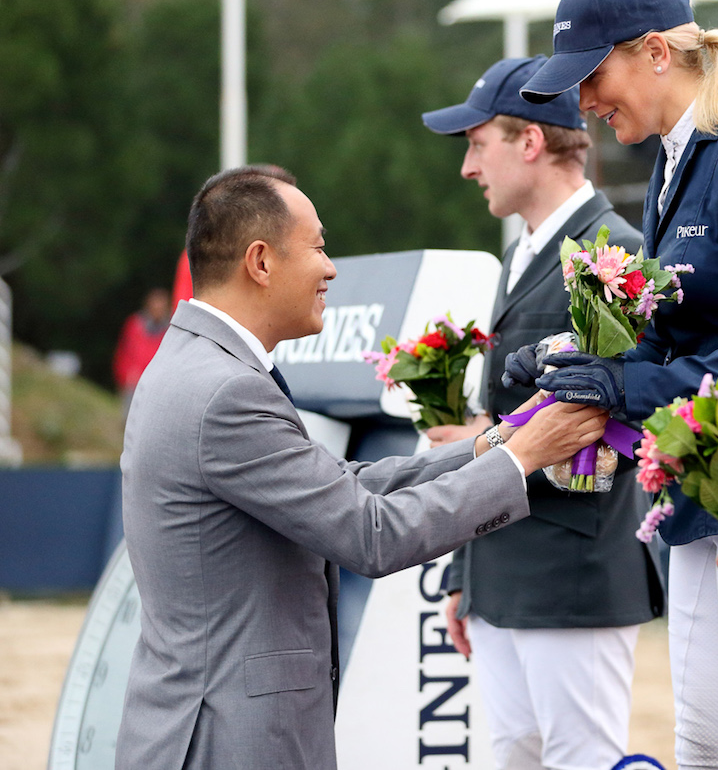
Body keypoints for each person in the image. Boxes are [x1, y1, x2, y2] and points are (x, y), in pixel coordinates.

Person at [115, 164, 608, 770]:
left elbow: (338, 484)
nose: (331, 268)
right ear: (261, 262)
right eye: (319, 247)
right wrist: (524, 458)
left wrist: (494, 442)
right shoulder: (225, 392)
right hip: (232, 738)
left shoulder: (196, 364)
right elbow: (370, 533)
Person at [513, 0, 718, 770]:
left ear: (656, 52)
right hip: (700, 492)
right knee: (703, 746)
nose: (583, 101)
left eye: (594, 75)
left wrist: (631, 387)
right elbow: (680, 334)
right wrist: (580, 362)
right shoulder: (672, 161)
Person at [420, 55, 664, 770]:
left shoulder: (614, 252)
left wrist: (483, 439)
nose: (469, 166)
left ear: (530, 141)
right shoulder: (524, 256)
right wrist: (466, 571)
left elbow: (618, 426)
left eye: (476, 143)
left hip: (574, 571)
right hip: (507, 572)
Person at [112, 286, 170, 412]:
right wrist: (124, 376)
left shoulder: (169, 331)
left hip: (155, 386)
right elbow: (123, 353)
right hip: (132, 383)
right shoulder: (135, 324)